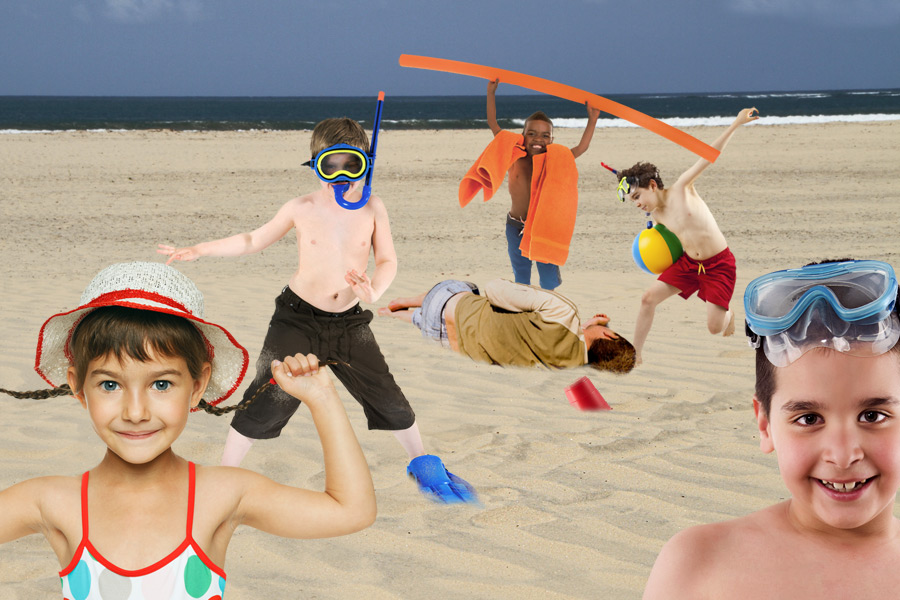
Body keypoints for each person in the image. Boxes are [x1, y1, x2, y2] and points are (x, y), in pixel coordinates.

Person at [0, 261, 376, 597]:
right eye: (110, 385)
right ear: (79, 387)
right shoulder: (51, 501)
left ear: (197, 386)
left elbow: (351, 510)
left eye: (161, 384)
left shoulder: (223, 493)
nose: (135, 412)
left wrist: (323, 398)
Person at [157, 113, 476, 504]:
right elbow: (252, 239)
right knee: (269, 392)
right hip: (297, 318)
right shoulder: (301, 207)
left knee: (385, 391)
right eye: (331, 165)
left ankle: (422, 460)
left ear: (366, 163)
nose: (341, 175)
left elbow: (388, 259)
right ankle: (227, 473)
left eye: (352, 164)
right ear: (316, 166)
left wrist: (375, 288)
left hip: (350, 322)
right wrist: (200, 250)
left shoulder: (373, 207)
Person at [643, 259, 900, 599]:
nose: (842, 455)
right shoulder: (698, 562)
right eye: (809, 419)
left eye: (872, 416)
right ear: (765, 425)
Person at [617, 108, 759, 365]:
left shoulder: (683, 187)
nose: (636, 204)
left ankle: (730, 314)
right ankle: (636, 353)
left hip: (719, 264)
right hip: (689, 264)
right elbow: (663, 246)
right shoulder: (656, 217)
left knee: (715, 327)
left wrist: (736, 123)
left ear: (652, 185)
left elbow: (710, 154)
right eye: (631, 200)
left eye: (637, 196)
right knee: (648, 298)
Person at [485, 78, 601, 290]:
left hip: (544, 228)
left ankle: (548, 312)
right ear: (523, 136)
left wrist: (592, 119)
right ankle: (525, 314)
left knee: (548, 280)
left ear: (551, 140)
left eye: (545, 135)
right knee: (521, 276)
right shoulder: (514, 157)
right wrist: (491, 92)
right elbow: (494, 124)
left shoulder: (554, 161)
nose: (538, 139)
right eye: (532, 133)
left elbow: (581, 148)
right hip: (515, 225)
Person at [379, 279, 635, 373]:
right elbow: (566, 342)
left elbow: (495, 290)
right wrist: (587, 325)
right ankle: (397, 315)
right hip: (446, 341)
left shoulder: (564, 312)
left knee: (469, 289)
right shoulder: (567, 365)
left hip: (450, 307)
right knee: (424, 320)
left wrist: (584, 322)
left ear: (609, 335)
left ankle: (403, 301)